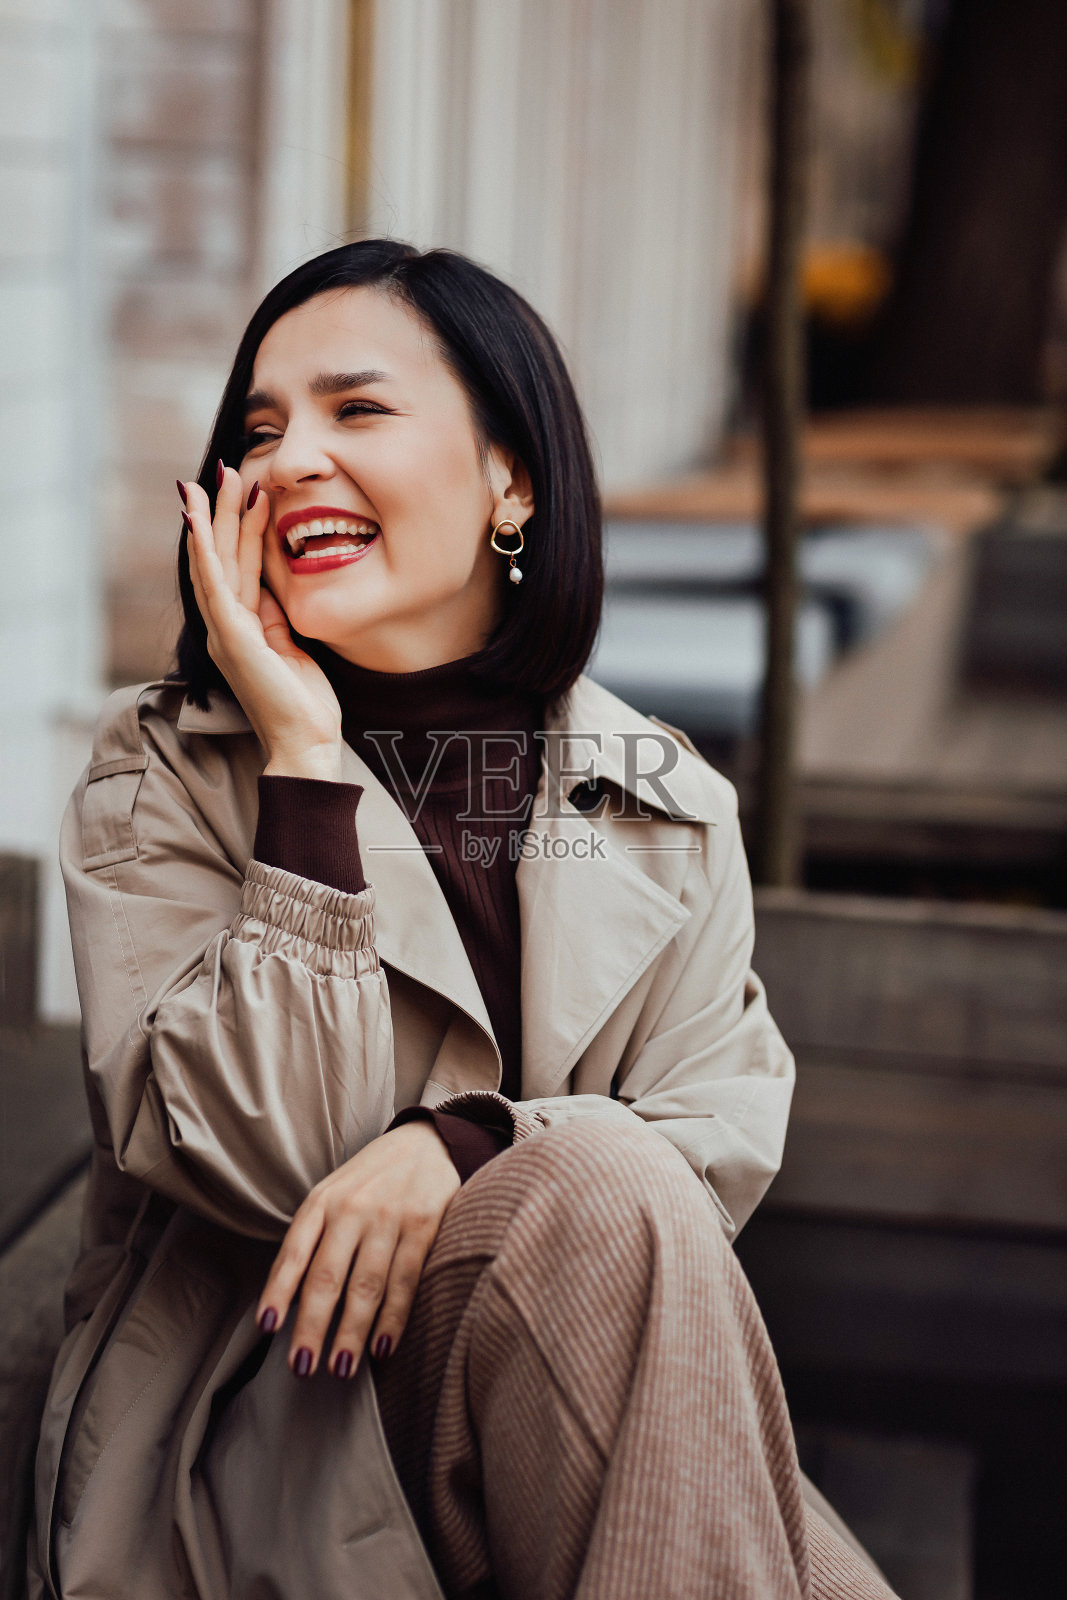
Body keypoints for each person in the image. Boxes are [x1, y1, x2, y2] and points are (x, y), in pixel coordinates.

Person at [30, 240, 896, 1600]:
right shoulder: (167, 775)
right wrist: (305, 765)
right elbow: (266, 1153)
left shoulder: (661, 797)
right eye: (261, 430)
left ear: (513, 477)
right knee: (609, 1185)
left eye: (355, 410)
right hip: (271, 1439)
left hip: (589, 1419)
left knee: (613, 1193)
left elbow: (716, 1124)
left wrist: (471, 1144)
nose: (292, 458)